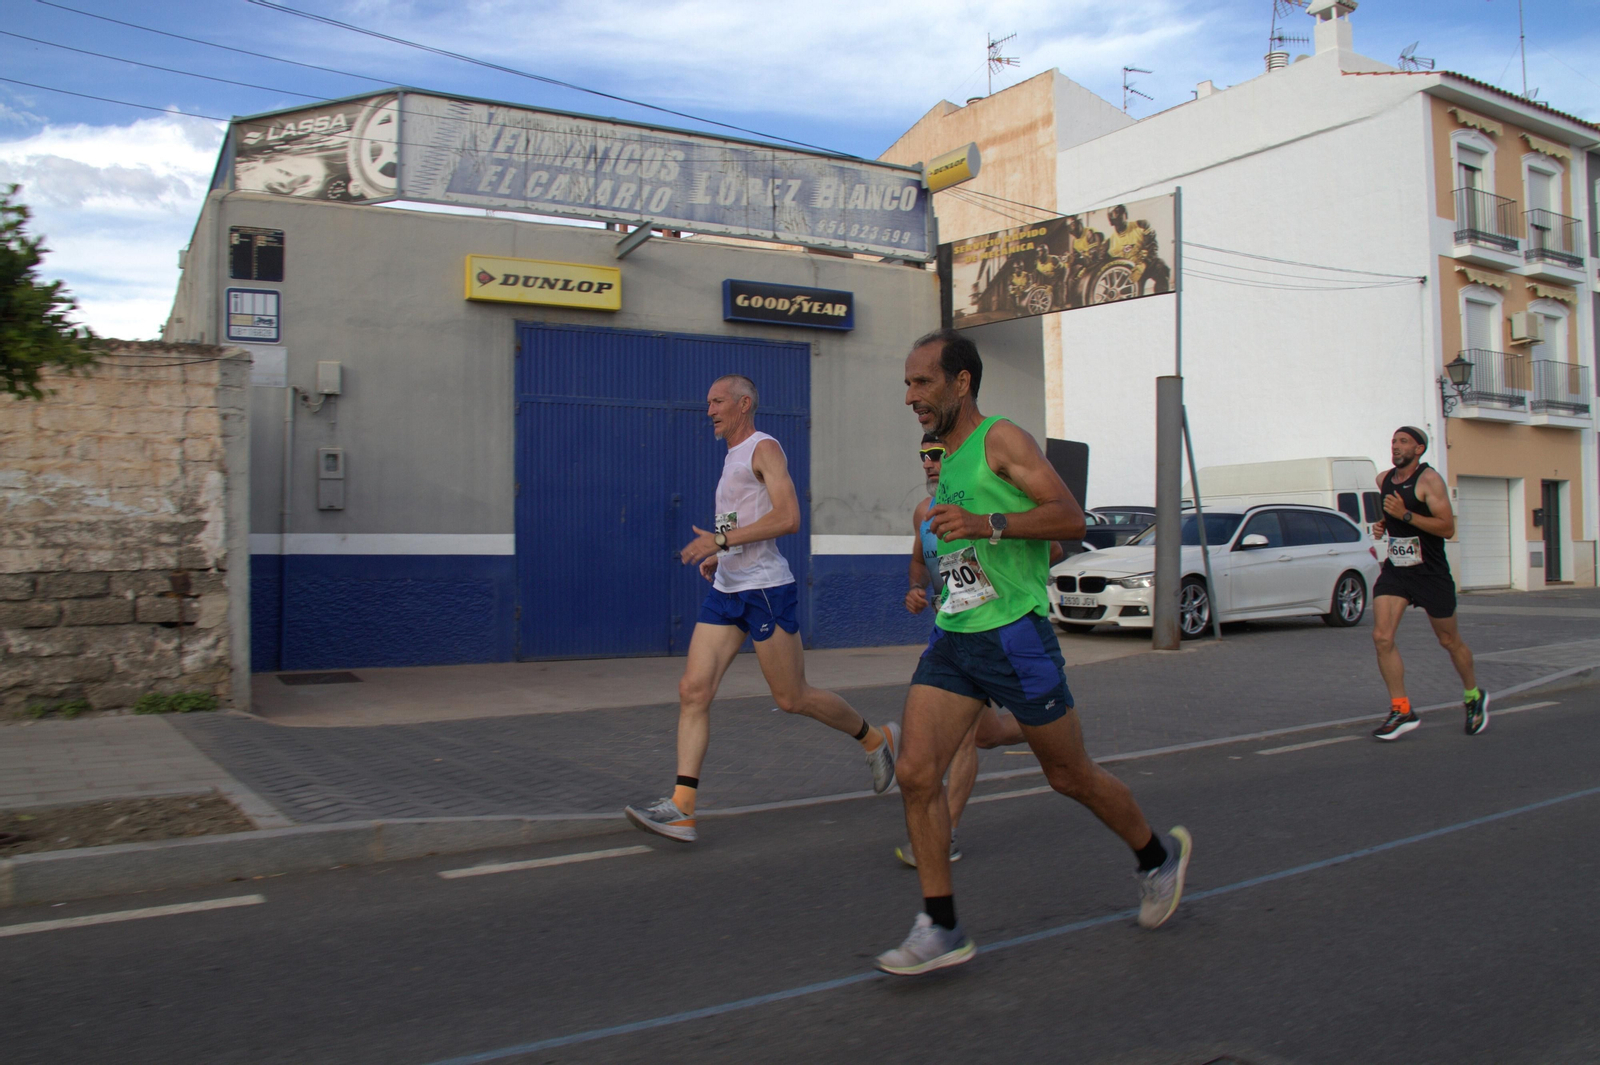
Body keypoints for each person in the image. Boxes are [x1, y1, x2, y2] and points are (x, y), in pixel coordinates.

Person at [875, 330, 1191, 976]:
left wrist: (991, 524)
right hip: (956, 635)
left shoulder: (1002, 439)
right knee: (914, 772)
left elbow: (1071, 518)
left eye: (923, 382)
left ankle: (1158, 858)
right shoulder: (944, 460)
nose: (911, 396)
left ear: (962, 382)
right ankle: (941, 924)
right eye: (907, 383)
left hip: (1016, 635)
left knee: (1069, 775)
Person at [624, 375, 900, 842]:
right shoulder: (731, 455)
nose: (708, 409)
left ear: (743, 403)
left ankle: (877, 739)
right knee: (693, 690)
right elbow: (744, 521)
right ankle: (683, 807)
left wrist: (720, 539)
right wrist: (720, 553)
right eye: (707, 402)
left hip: (766, 590)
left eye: (716, 401)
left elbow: (788, 517)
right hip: (728, 589)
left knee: (792, 698)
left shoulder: (763, 448)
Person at [897, 433, 1028, 868]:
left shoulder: (984, 498)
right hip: (947, 628)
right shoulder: (923, 513)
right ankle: (1048, 727)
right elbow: (920, 562)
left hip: (988, 627)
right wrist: (917, 589)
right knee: (988, 734)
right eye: (923, 457)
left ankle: (946, 833)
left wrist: (993, 533)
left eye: (937, 456)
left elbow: (1052, 545)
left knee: (967, 736)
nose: (929, 465)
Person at [1370, 426, 1488, 740]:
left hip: (1431, 573)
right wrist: (1385, 524)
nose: (1396, 446)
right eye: (1393, 440)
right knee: (1382, 637)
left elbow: (1447, 528)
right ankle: (1401, 709)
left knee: (1449, 641)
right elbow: (1394, 516)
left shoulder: (1429, 480)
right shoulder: (1383, 480)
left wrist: (1405, 516)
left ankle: (1474, 696)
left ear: (1419, 449)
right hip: (1397, 571)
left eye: (1403, 441)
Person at [1105, 204, 1171, 296]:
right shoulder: (1110, 243)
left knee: (1161, 267)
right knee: (1127, 294)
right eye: (1116, 218)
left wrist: (1144, 264)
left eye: (1121, 215)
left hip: (1146, 265)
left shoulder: (1141, 225)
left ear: (1126, 215)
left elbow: (1153, 247)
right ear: (1111, 221)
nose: (1120, 220)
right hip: (1131, 273)